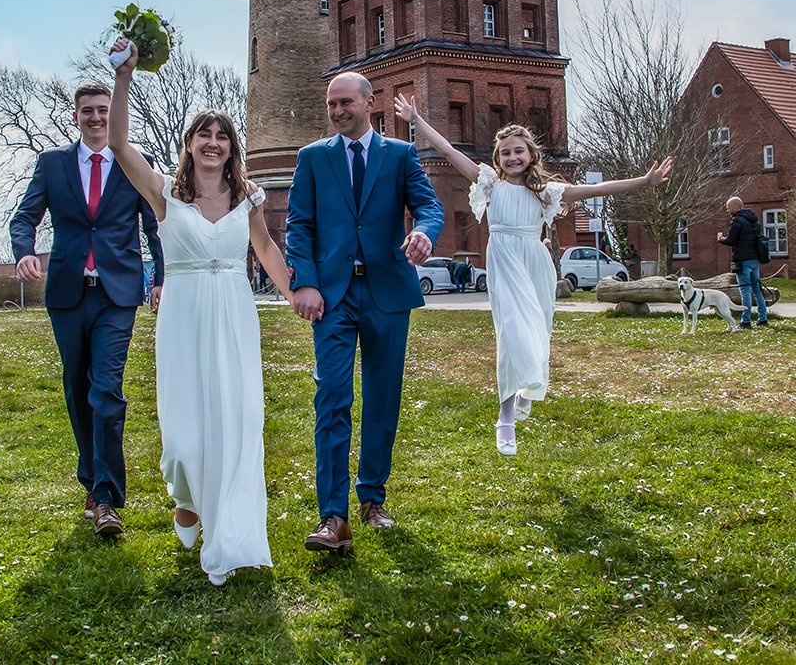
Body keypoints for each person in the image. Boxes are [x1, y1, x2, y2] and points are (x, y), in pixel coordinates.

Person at [107, 37, 293, 587]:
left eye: (222, 136)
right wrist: (124, 75)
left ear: (232, 148)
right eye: (203, 135)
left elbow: (264, 250)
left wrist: (293, 293)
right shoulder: (164, 193)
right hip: (185, 313)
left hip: (234, 313)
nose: (213, 143)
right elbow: (118, 143)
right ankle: (185, 496)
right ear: (188, 145)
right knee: (184, 433)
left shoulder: (248, 199)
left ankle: (231, 531)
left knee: (236, 420)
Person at [394, 95, 671, 456]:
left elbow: (599, 189)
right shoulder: (489, 183)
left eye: (518, 151)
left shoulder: (547, 192)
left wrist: (644, 182)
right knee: (512, 335)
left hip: (536, 264)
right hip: (505, 261)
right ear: (498, 158)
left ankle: (526, 392)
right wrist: (417, 120)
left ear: (531, 155)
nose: (512, 158)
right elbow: (447, 149)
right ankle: (505, 417)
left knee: (538, 335)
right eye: (506, 152)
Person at [287, 72, 444, 551]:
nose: (337, 111)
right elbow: (299, 225)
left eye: (345, 103)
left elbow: (429, 206)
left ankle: (373, 498)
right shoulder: (312, 158)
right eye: (331, 104)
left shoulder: (399, 155)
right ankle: (332, 517)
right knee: (331, 398)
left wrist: (424, 233)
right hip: (331, 298)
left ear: (369, 103)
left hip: (387, 294)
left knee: (382, 398)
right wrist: (307, 282)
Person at [10, 82, 164, 537]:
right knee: (79, 389)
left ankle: (106, 497)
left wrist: (162, 278)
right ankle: (92, 482)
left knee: (107, 389)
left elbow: (154, 223)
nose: (97, 118)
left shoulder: (134, 162)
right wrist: (24, 250)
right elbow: (24, 216)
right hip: (67, 293)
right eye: (88, 111)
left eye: (103, 110)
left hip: (117, 294)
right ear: (76, 115)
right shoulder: (52, 164)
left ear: (114, 114)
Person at [717, 196, 768, 329]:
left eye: (728, 208)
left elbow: (731, 240)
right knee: (757, 289)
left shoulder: (737, 221)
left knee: (744, 290)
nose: (727, 210)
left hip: (743, 260)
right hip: (755, 259)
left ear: (734, 208)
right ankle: (763, 318)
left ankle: (746, 320)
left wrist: (720, 238)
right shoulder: (754, 220)